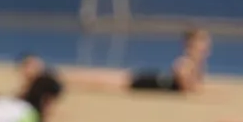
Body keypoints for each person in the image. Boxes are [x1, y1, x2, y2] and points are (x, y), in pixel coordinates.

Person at [66, 29, 212, 94]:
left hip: (152, 81)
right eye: (202, 42)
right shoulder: (184, 63)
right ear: (191, 44)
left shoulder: (196, 64)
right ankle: (71, 78)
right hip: (144, 80)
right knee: (103, 82)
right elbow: (186, 87)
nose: (205, 46)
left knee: (106, 81)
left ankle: (74, 78)